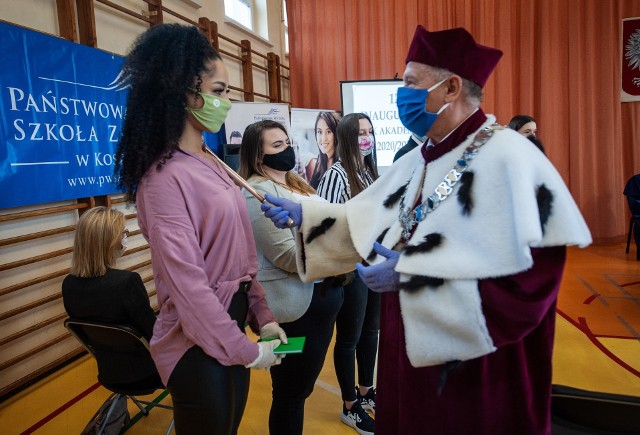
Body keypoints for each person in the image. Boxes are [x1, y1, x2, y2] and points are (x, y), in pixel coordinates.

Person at [261, 24, 592, 434]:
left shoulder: (510, 156)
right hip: (410, 345)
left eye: (411, 83)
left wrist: (411, 275)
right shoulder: (420, 157)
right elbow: (364, 217)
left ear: (451, 88)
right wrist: (303, 216)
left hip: (474, 362)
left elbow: (534, 279)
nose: (403, 94)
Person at [113, 24, 286, 435]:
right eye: (220, 90)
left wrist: (262, 315)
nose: (227, 102)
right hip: (199, 342)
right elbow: (188, 287)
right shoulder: (162, 179)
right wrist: (243, 347)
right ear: (186, 92)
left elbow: (241, 255)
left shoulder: (210, 159)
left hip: (230, 325)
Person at [238, 120, 343, 435]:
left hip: (322, 304)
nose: (288, 149)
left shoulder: (297, 183)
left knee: (302, 389)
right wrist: (337, 252)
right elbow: (286, 256)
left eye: (287, 142)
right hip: (293, 312)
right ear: (258, 156)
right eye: (277, 145)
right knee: (289, 393)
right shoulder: (255, 192)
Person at [316, 113, 380, 435]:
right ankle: (349, 405)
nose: (366, 138)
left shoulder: (367, 172)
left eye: (369, 132)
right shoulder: (337, 175)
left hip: (373, 266)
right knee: (350, 338)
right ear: (347, 137)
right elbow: (324, 227)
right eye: (360, 133)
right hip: (349, 270)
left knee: (371, 333)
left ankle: (366, 391)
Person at [62, 206, 160, 388]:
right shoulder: (127, 282)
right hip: (147, 374)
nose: (125, 237)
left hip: (109, 374)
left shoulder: (69, 284)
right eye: (123, 233)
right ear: (110, 241)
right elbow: (154, 334)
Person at [309, 111, 340, 188]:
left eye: (328, 132)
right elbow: (312, 189)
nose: (323, 138)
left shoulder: (342, 162)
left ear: (336, 134)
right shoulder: (320, 159)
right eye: (319, 132)